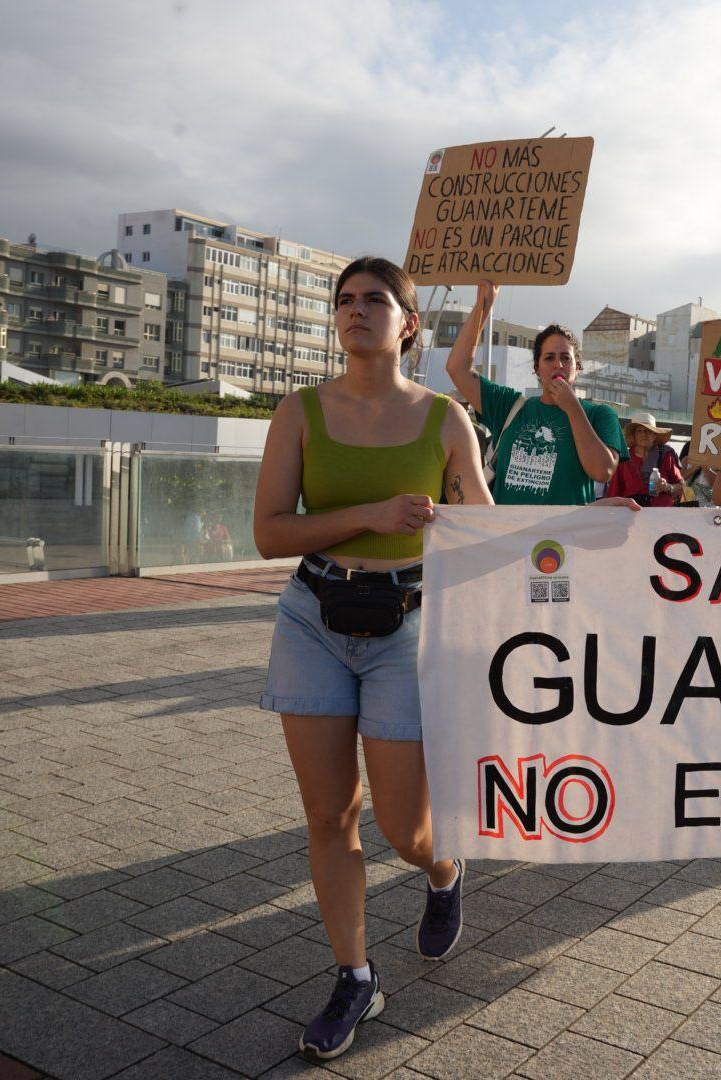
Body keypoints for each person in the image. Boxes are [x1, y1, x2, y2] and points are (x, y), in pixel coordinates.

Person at [252, 256, 491, 1060]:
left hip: (408, 628)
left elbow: (484, 531)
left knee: (403, 827)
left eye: (376, 300)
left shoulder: (444, 418)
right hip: (312, 619)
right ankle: (356, 976)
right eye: (345, 301)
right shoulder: (300, 412)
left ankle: (444, 871)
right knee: (329, 816)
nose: (357, 311)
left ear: (409, 322)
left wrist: (597, 533)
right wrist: (374, 512)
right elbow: (269, 533)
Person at [445, 281, 628, 506]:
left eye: (566, 358)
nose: (558, 365)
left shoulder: (600, 414)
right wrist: (483, 306)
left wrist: (572, 408)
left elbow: (603, 471)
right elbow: (458, 368)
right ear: (537, 368)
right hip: (507, 537)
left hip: (563, 539)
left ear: (578, 368)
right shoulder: (510, 406)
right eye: (549, 358)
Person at [607, 413, 684, 506]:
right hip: (631, 513)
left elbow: (681, 487)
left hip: (662, 515)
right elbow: (614, 494)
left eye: (648, 430)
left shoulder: (667, 455)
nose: (643, 434)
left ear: (655, 435)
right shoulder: (624, 458)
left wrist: (668, 487)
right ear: (634, 436)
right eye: (639, 431)